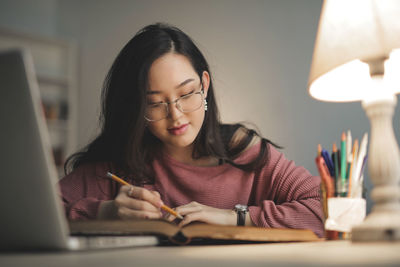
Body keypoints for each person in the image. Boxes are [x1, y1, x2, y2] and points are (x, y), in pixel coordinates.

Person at [59, 23, 324, 237]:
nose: (176, 115)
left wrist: (237, 217)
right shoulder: (121, 161)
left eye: (186, 94)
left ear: (204, 85)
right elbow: (29, 215)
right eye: (154, 103)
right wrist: (105, 213)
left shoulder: (243, 152)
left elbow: (324, 208)